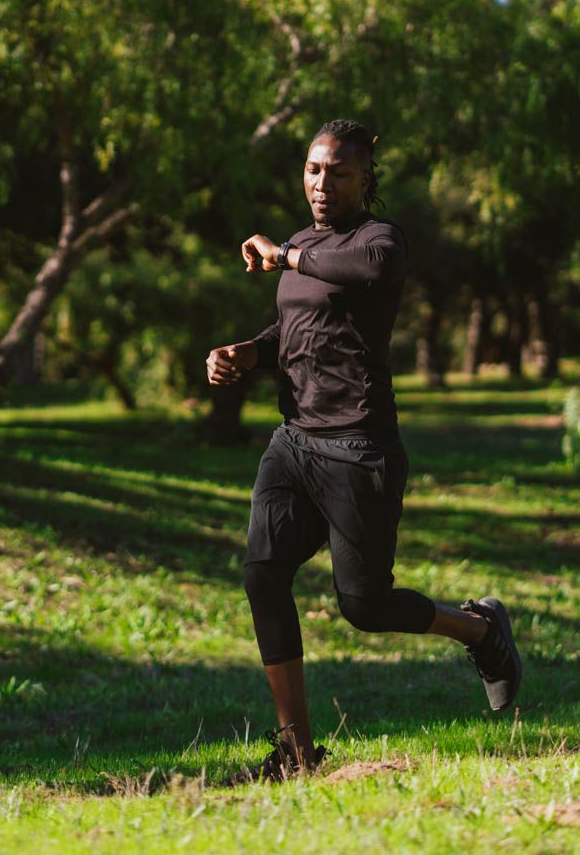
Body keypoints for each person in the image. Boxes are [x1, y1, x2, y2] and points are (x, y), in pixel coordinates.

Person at [207, 118, 522, 783]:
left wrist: (284, 256)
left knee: (365, 606)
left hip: (358, 449)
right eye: (314, 170)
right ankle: (296, 751)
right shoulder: (301, 245)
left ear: (365, 179)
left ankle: (480, 630)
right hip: (293, 443)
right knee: (263, 572)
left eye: (339, 172)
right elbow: (294, 328)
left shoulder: (380, 241)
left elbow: (365, 269)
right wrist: (250, 352)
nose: (323, 183)